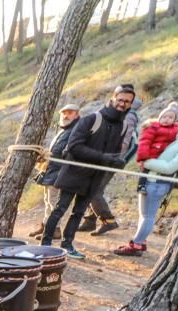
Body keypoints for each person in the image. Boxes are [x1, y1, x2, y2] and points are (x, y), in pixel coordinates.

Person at [40, 84, 136, 258]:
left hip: (94, 177)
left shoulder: (122, 127)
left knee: (79, 212)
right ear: (113, 98)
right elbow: (74, 147)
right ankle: (45, 243)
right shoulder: (92, 119)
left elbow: (112, 153)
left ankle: (67, 245)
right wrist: (104, 157)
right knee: (60, 208)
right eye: (120, 99)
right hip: (74, 172)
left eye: (127, 102)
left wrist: (116, 161)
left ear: (130, 104)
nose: (123, 104)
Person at [114, 117, 178, 256]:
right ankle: (140, 242)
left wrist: (145, 162)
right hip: (150, 179)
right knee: (144, 214)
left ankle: (135, 245)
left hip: (159, 182)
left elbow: (169, 167)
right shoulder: (177, 138)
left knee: (148, 216)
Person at [82, 96, 142, 236]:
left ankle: (108, 221)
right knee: (96, 189)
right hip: (109, 159)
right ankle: (90, 221)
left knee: (94, 191)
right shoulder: (124, 116)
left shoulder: (128, 117)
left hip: (110, 160)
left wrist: (109, 158)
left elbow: (124, 141)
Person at [31, 103, 81, 240]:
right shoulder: (64, 129)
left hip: (61, 171)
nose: (66, 115)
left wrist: (51, 156)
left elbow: (70, 152)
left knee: (53, 202)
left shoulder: (76, 130)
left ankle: (55, 230)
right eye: (64, 113)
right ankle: (46, 225)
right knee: (48, 200)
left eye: (70, 112)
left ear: (77, 114)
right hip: (52, 169)